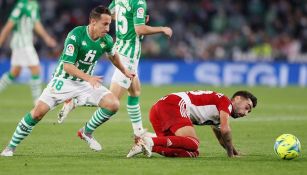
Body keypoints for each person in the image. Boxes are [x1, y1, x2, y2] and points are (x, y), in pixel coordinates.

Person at [0, 5, 134, 157]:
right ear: (93, 22)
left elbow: (113, 56)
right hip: (64, 80)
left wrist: (124, 70)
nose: (108, 28)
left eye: (109, 24)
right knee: (38, 113)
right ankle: (10, 147)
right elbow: (68, 66)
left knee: (113, 104)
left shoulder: (107, 40)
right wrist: (89, 77)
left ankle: (86, 131)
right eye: (105, 24)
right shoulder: (76, 34)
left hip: (85, 84)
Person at [58, 0, 173, 140]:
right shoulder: (139, 2)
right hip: (128, 55)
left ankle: (138, 132)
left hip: (121, 49)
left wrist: (132, 18)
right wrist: (162, 29)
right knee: (111, 101)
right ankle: (80, 113)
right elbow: (140, 29)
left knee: (135, 91)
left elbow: (111, 15)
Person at [127, 90, 257, 158]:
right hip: (174, 104)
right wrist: (231, 155)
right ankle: (151, 140)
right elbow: (225, 129)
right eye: (247, 107)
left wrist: (235, 152)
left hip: (159, 108)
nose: (245, 113)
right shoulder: (225, 102)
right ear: (238, 99)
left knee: (190, 153)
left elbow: (222, 140)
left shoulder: (218, 114)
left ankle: (144, 142)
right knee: (193, 142)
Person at [0, 0, 57, 104]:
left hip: (26, 43)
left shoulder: (34, 5)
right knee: (36, 69)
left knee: (15, 72)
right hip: (22, 43)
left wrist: (47, 38)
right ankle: (38, 101)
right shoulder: (22, 5)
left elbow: (36, 24)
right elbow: (9, 24)